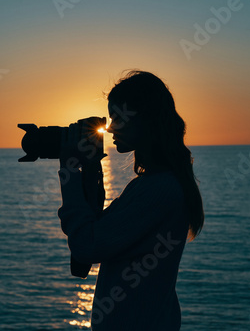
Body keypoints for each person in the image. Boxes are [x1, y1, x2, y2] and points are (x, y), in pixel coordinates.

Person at [57, 70, 204, 330]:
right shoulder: (154, 184)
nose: (111, 126)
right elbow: (95, 235)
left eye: (118, 117)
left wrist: (70, 172)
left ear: (146, 120)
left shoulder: (158, 190)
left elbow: (86, 246)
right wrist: (90, 170)